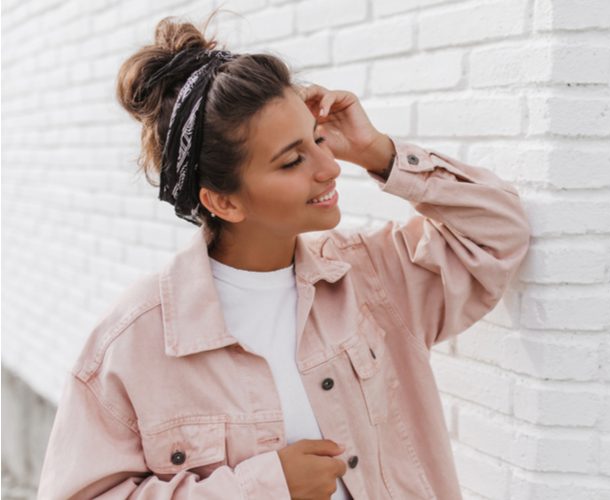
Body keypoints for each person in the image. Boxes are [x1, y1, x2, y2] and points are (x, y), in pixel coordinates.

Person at [36, 11, 531, 500]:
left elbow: (499, 230)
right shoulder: (135, 343)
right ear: (222, 201)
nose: (329, 167)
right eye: (293, 160)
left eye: (318, 140)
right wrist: (264, 487)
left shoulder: (375, 276)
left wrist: (377, 151)